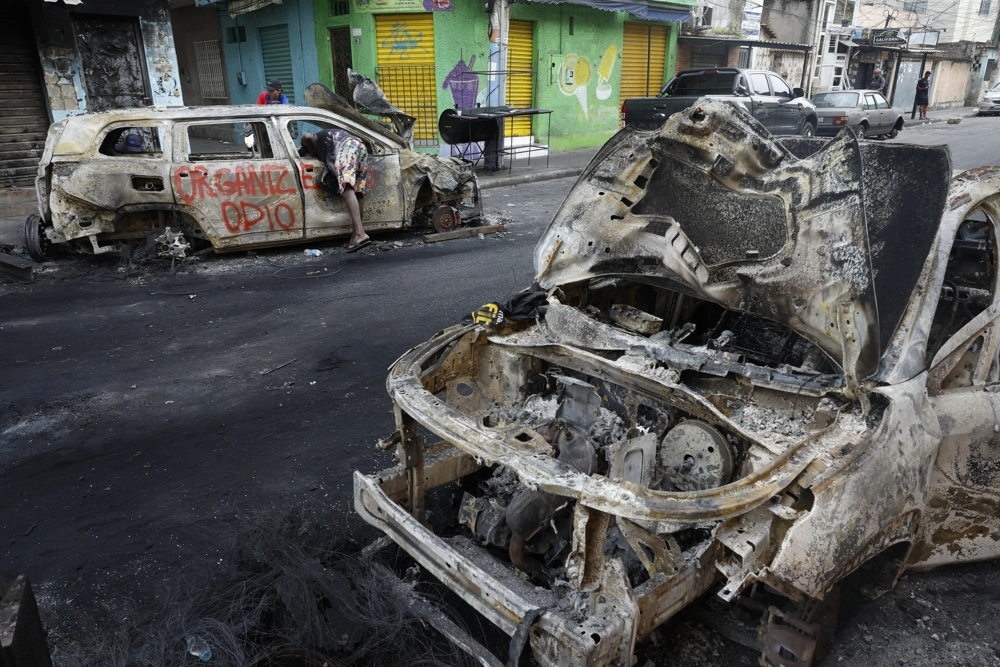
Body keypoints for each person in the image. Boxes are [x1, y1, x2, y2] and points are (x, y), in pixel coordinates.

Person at [299, 130, 372, 252]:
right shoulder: (327, 146)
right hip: (360, 146)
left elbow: (306, 136)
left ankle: (360, 234)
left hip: (347, 147)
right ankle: (355, 239)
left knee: (347, 189)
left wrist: (311, 154)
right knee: (358, 193)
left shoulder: (316, 142)